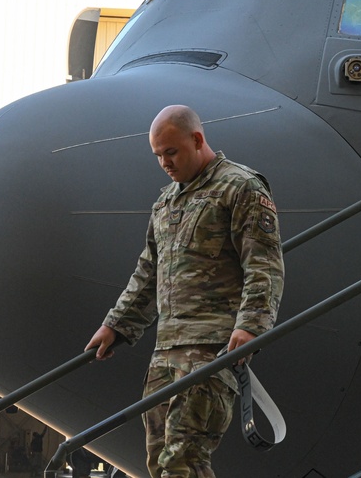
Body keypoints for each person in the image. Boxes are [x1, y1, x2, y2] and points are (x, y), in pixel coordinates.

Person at [85, 105, 285, 478]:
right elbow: (148, 272)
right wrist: (116, 325)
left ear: (197, 139)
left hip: (212, 348)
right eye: (158, 155)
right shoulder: (165, 202)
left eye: (171, 152)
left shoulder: (239, 187)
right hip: (165, 353)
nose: (164, 163)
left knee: (183, 461)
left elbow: (263, 264)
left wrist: (252, 326)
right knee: (159, 462)